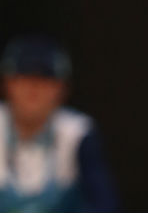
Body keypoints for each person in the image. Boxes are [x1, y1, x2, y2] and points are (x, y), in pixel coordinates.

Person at [0, 35, 119, 212]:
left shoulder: (77, 133)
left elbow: (105, 203)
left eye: (45, 78)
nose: (33, 88)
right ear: (7, 83)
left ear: (62, 88)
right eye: (23, 76)